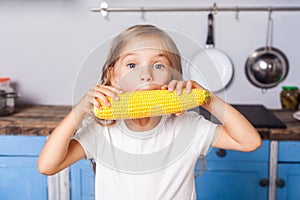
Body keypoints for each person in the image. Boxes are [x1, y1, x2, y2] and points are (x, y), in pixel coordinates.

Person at [38, 24, 261, 200]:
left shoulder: (190, 127)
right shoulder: (101, 130)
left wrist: (208, 99)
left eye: (158, 65)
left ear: (173, 78)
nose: (146, 75)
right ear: (114, 76)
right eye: (132, 65)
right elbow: (48, 165)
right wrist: (80, 110)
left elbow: (249, 142)